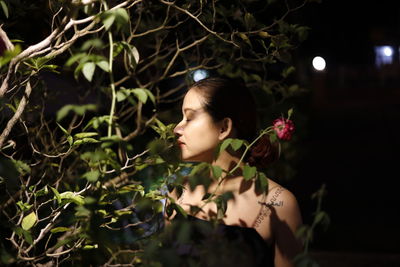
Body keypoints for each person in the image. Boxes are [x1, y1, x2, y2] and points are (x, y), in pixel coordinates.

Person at [169, 76, 303, 267]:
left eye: (189, 118)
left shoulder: (279, 205)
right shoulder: (179, 191)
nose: (177, 128)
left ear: (224, 128)